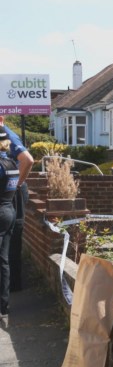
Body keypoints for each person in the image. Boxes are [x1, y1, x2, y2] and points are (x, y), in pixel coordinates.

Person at [0, 118, 34, 320]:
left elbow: (28, 160)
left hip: (7, 198)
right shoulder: (9, 159)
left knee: (8, 249)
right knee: (5, 253)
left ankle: (12, 290)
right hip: (8, 201)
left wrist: (15, 187)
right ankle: (5, 301)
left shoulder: (6, 134)